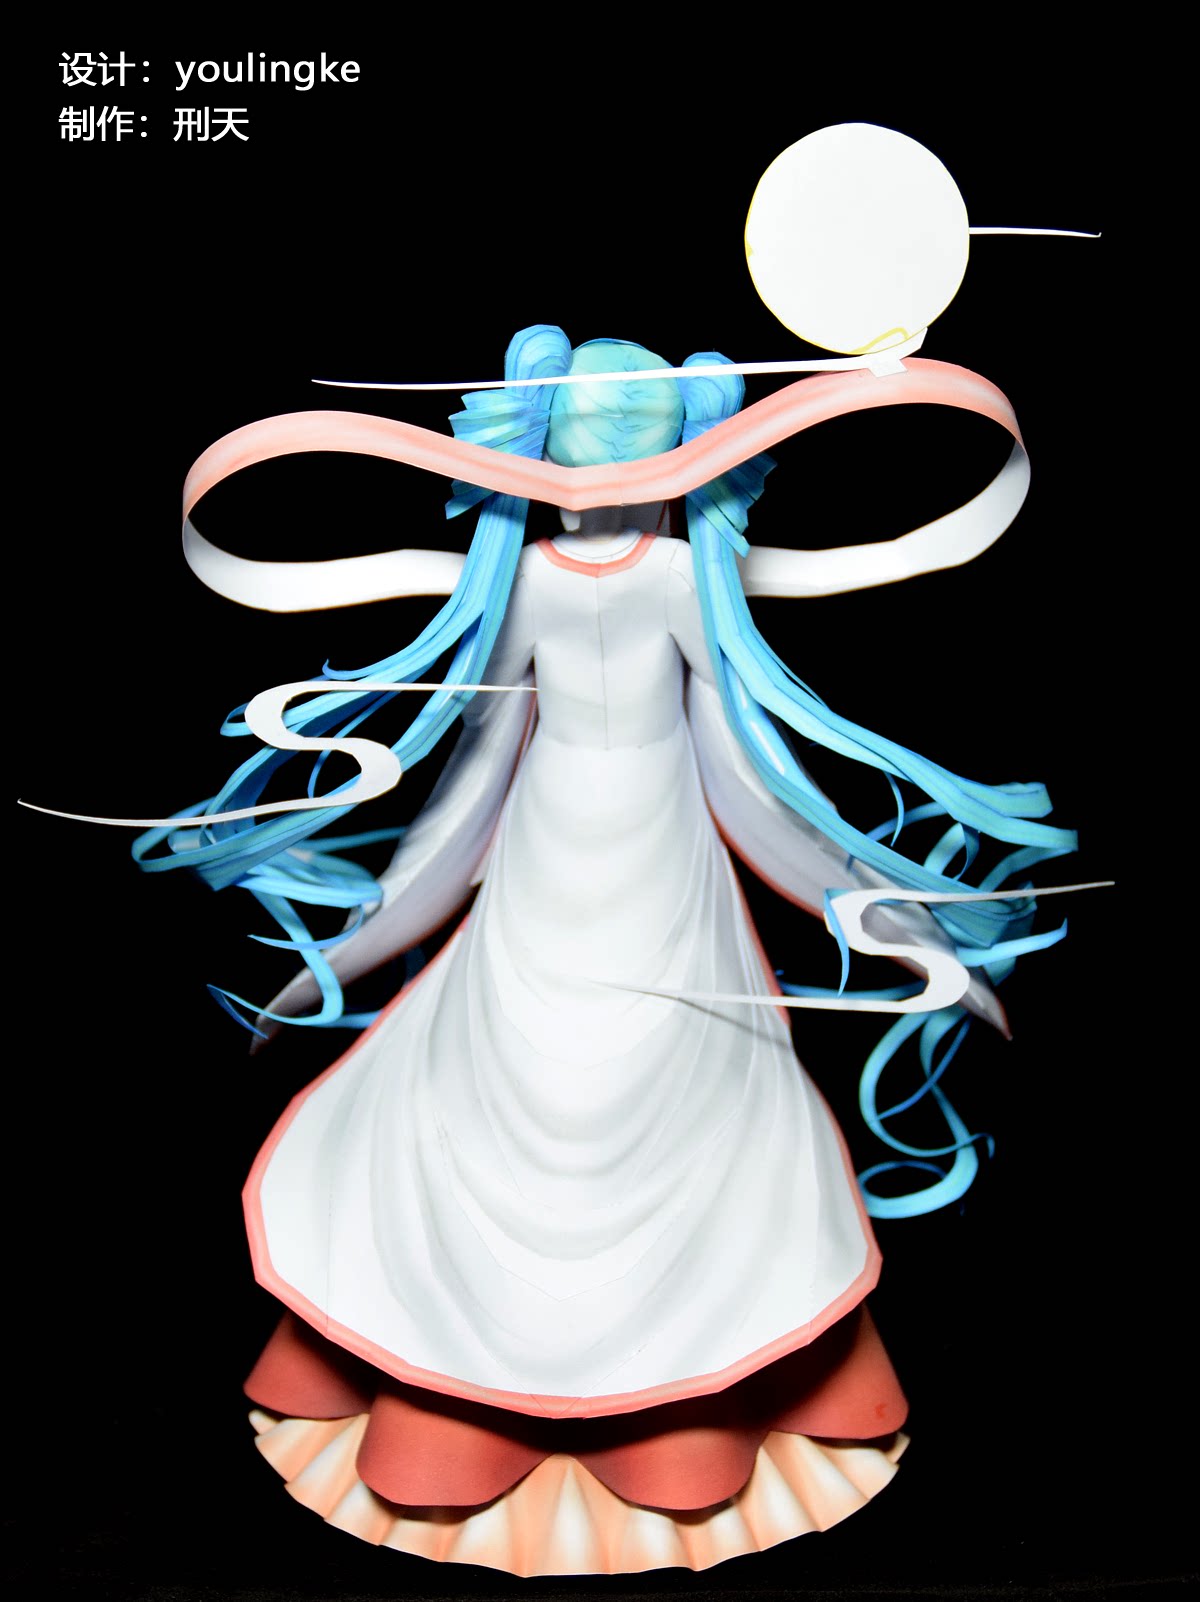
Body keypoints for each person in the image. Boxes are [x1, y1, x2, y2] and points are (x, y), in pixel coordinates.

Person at [141, 326, 1074, 1575]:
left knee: (670, 1092)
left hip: (659, 863)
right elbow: (474, 784)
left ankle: (688, 1382)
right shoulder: (536, 583)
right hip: (548, 864)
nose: (605, 479)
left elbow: (750, 777)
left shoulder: (680, 577)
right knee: (510, 1081)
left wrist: (905, 933)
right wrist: (347, 955)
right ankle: (456, 1375)